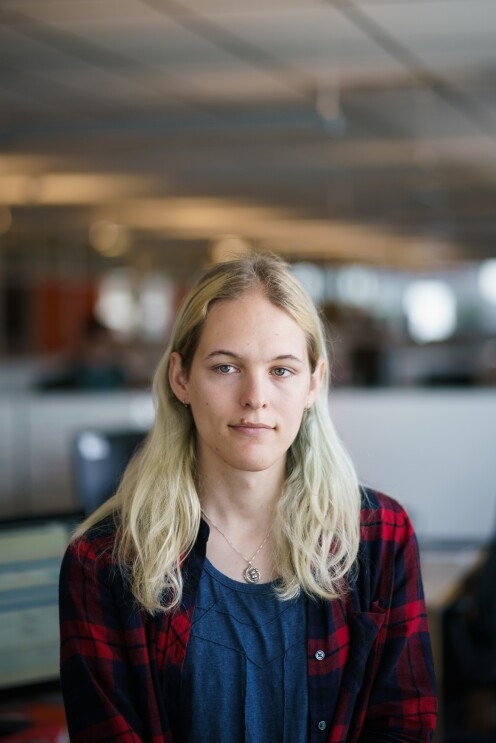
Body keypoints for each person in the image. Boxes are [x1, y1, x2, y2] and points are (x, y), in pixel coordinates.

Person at [59, 252, 438, 742]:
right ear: (181, 379)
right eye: (225, 367)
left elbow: (404, 724)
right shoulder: (104, 560)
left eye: (281, 370)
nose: (255, 396)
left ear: (313, 383)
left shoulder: (378, 535)